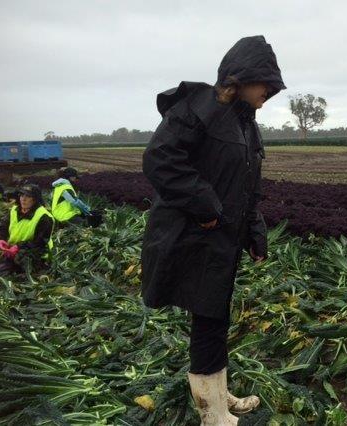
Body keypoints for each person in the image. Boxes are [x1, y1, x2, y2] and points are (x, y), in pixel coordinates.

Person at [140, 35, 285, 425]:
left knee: (216, 317)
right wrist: (204, 204)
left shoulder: (247, 125)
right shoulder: (198, 107)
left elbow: (247, 184)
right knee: (208, 319)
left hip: (224, 241)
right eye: (265, 83)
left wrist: (255, 229)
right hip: (195, 238)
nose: (270, 91)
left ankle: (218, 396)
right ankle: (213, 415)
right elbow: (160, 160)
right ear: (241, 78)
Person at [0, 184, 54, 275]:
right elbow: (2, 226)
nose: (23, 199)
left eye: (28, 196)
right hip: (14, 250)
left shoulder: (44, 217)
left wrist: (18, 247)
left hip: (35, 253)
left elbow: (40, 242)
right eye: (21, 195)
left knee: (7, 272)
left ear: (35, 199)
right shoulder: (14, 210)